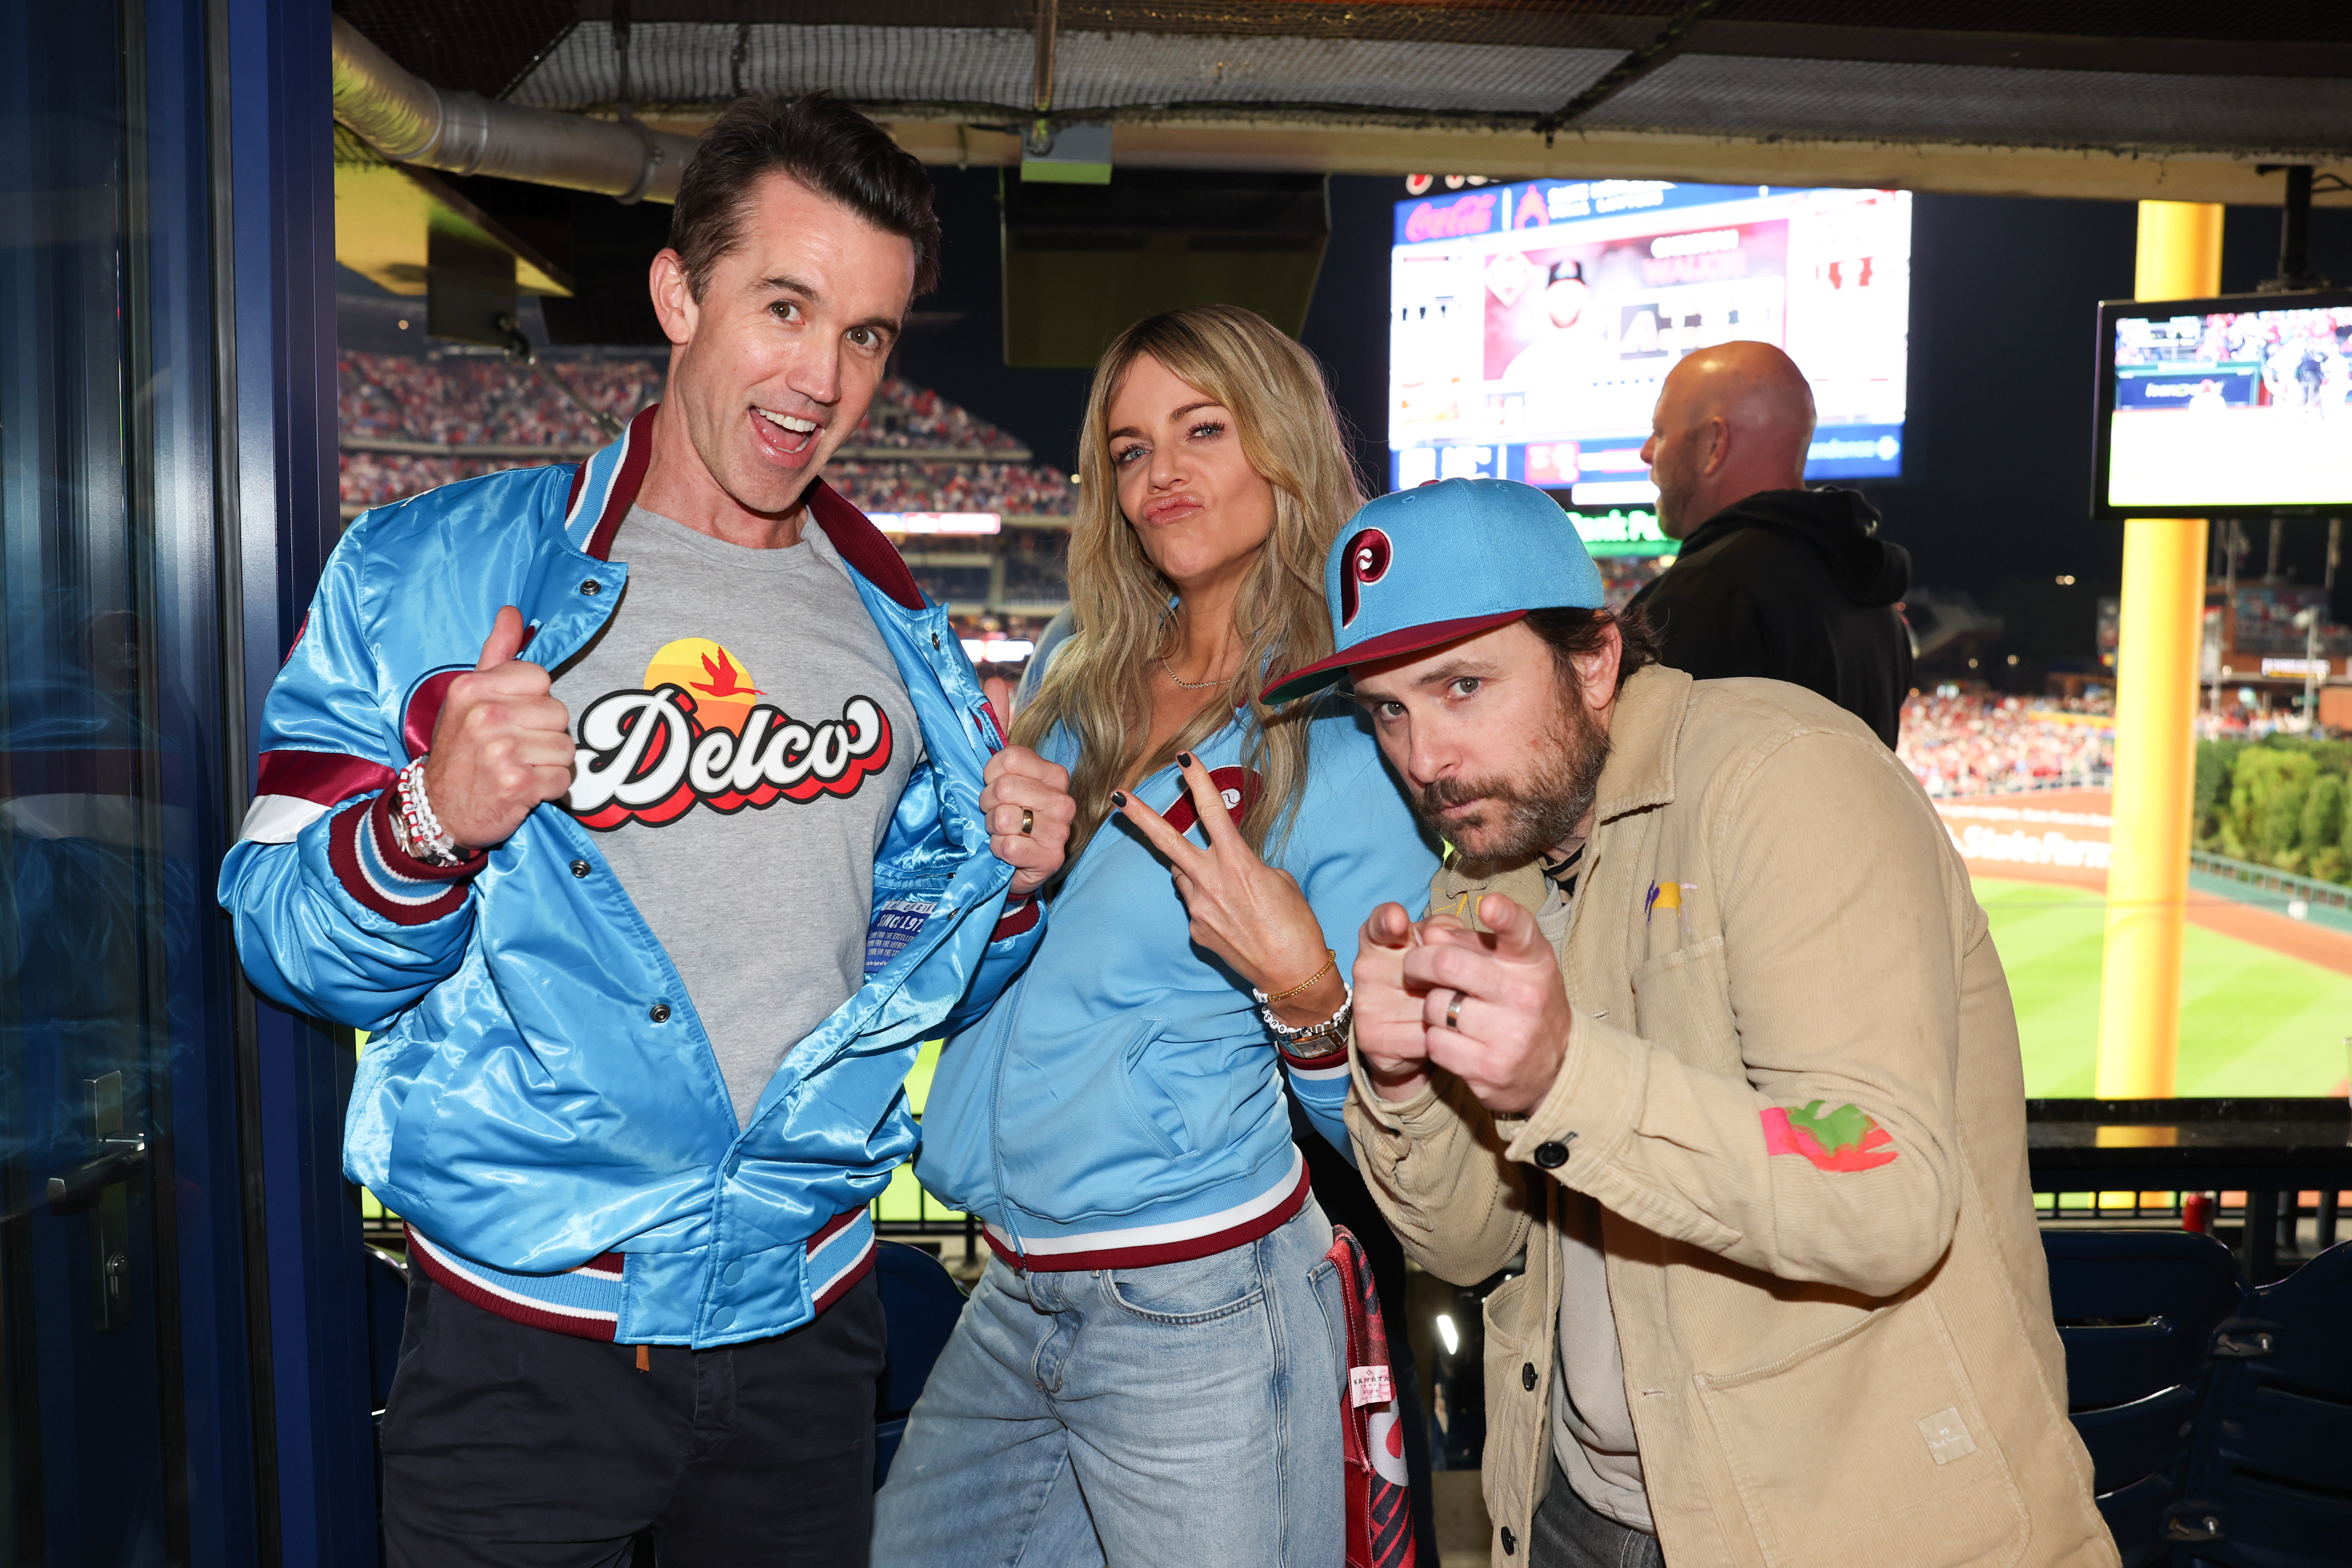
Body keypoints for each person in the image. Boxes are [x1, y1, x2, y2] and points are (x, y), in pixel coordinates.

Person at [218, 94, 1077, 1567]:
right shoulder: (432, 569)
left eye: (865, 333)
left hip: (808, 1326)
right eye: (786, 306)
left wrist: (1002, 892)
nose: (821, 377)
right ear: (681, 293)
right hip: (528, 1339)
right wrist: (433, 816)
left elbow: (880, 972)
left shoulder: (903, 632)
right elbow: (280, 933)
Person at [1262, 477, 2112, 1567]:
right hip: (1582, 1506)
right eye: (1387, 708)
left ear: (1596, 659)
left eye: (1462, 685)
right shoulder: (1484, 880)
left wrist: (1565, 1075)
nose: (1423, 758)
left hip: (1845, 1528)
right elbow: (1468, 1243)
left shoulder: (1782, 777)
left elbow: (1883, 1184)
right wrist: (1399, 1081)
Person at [871, 305, 1440, 1566]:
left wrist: (1304, 993)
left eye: (1199, 429)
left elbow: (1405, 1128)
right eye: (1128, 450)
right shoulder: (1080, 667)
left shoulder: (1346, 731)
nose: (1157, 475)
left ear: (1282, 449)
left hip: (1196, 1297)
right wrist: (995, 883)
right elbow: (996, 982)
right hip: (1014, 1281)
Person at [1625, 341, 1913, 748]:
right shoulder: (1875, 600)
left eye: (1659, 432)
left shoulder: (1709, 591)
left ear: (1713, 445)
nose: (1646, 452)